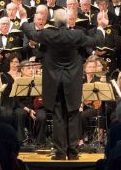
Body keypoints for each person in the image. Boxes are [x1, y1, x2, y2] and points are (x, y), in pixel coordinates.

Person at [20, 9, 105, 160]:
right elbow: (96, 41)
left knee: (58, 116)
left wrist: (24, 19)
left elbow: (31, 34)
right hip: (72, 82)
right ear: (67, 22)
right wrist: (100, 26)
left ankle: (60, 152)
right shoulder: (76, 35)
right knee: (73, 114)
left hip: (54, 83)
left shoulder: (48, 34)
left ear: (54, 22)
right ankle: (72, 152)